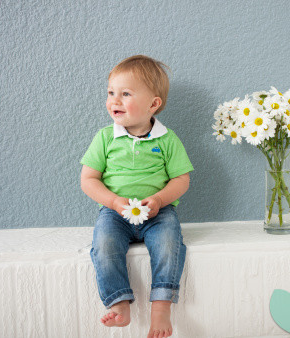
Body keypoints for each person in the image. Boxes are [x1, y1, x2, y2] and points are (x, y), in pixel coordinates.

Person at [80, 55, 194, 338]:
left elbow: (182, 179)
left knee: (170, 245)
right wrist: (114, 202)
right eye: (111, 93)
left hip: (158, 213)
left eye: (125, 94)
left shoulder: (167, 140)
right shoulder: (105, 138)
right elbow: (88, 180)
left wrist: (159, 200)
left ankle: (161, 306)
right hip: (115, 213)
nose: (114, 100)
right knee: (103, 245)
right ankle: (119, 303)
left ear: (153, 104)